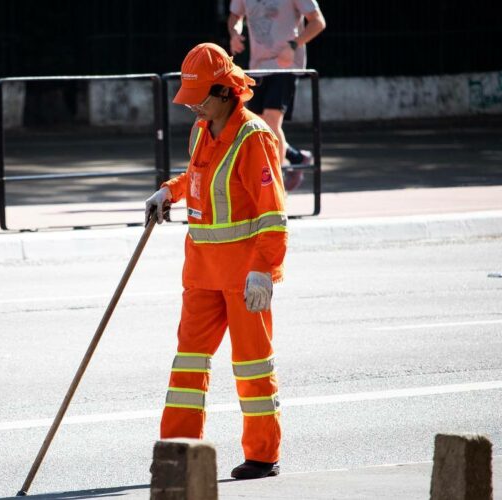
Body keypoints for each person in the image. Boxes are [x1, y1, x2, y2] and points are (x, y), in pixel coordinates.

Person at [144, 42, 287, 480]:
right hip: (202, 272)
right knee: (188, 361)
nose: (193, 109)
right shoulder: (203, 130)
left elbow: (272, 212)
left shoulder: (254, 137)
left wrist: (264, 269)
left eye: (200, 99)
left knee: (251, 364)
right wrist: (170, 190)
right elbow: (199, 177)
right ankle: (178, 450)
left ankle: (263, 455)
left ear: (226, 91)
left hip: (244, 278)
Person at [228, 0, 326, 191]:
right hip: (257, 67)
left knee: (272, 122)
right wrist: (234, 33)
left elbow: (318, 22)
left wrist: (294, 45)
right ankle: (296, 156)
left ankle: (274, 187)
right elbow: (235, 16)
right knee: (258, 126)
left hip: (285, 66)